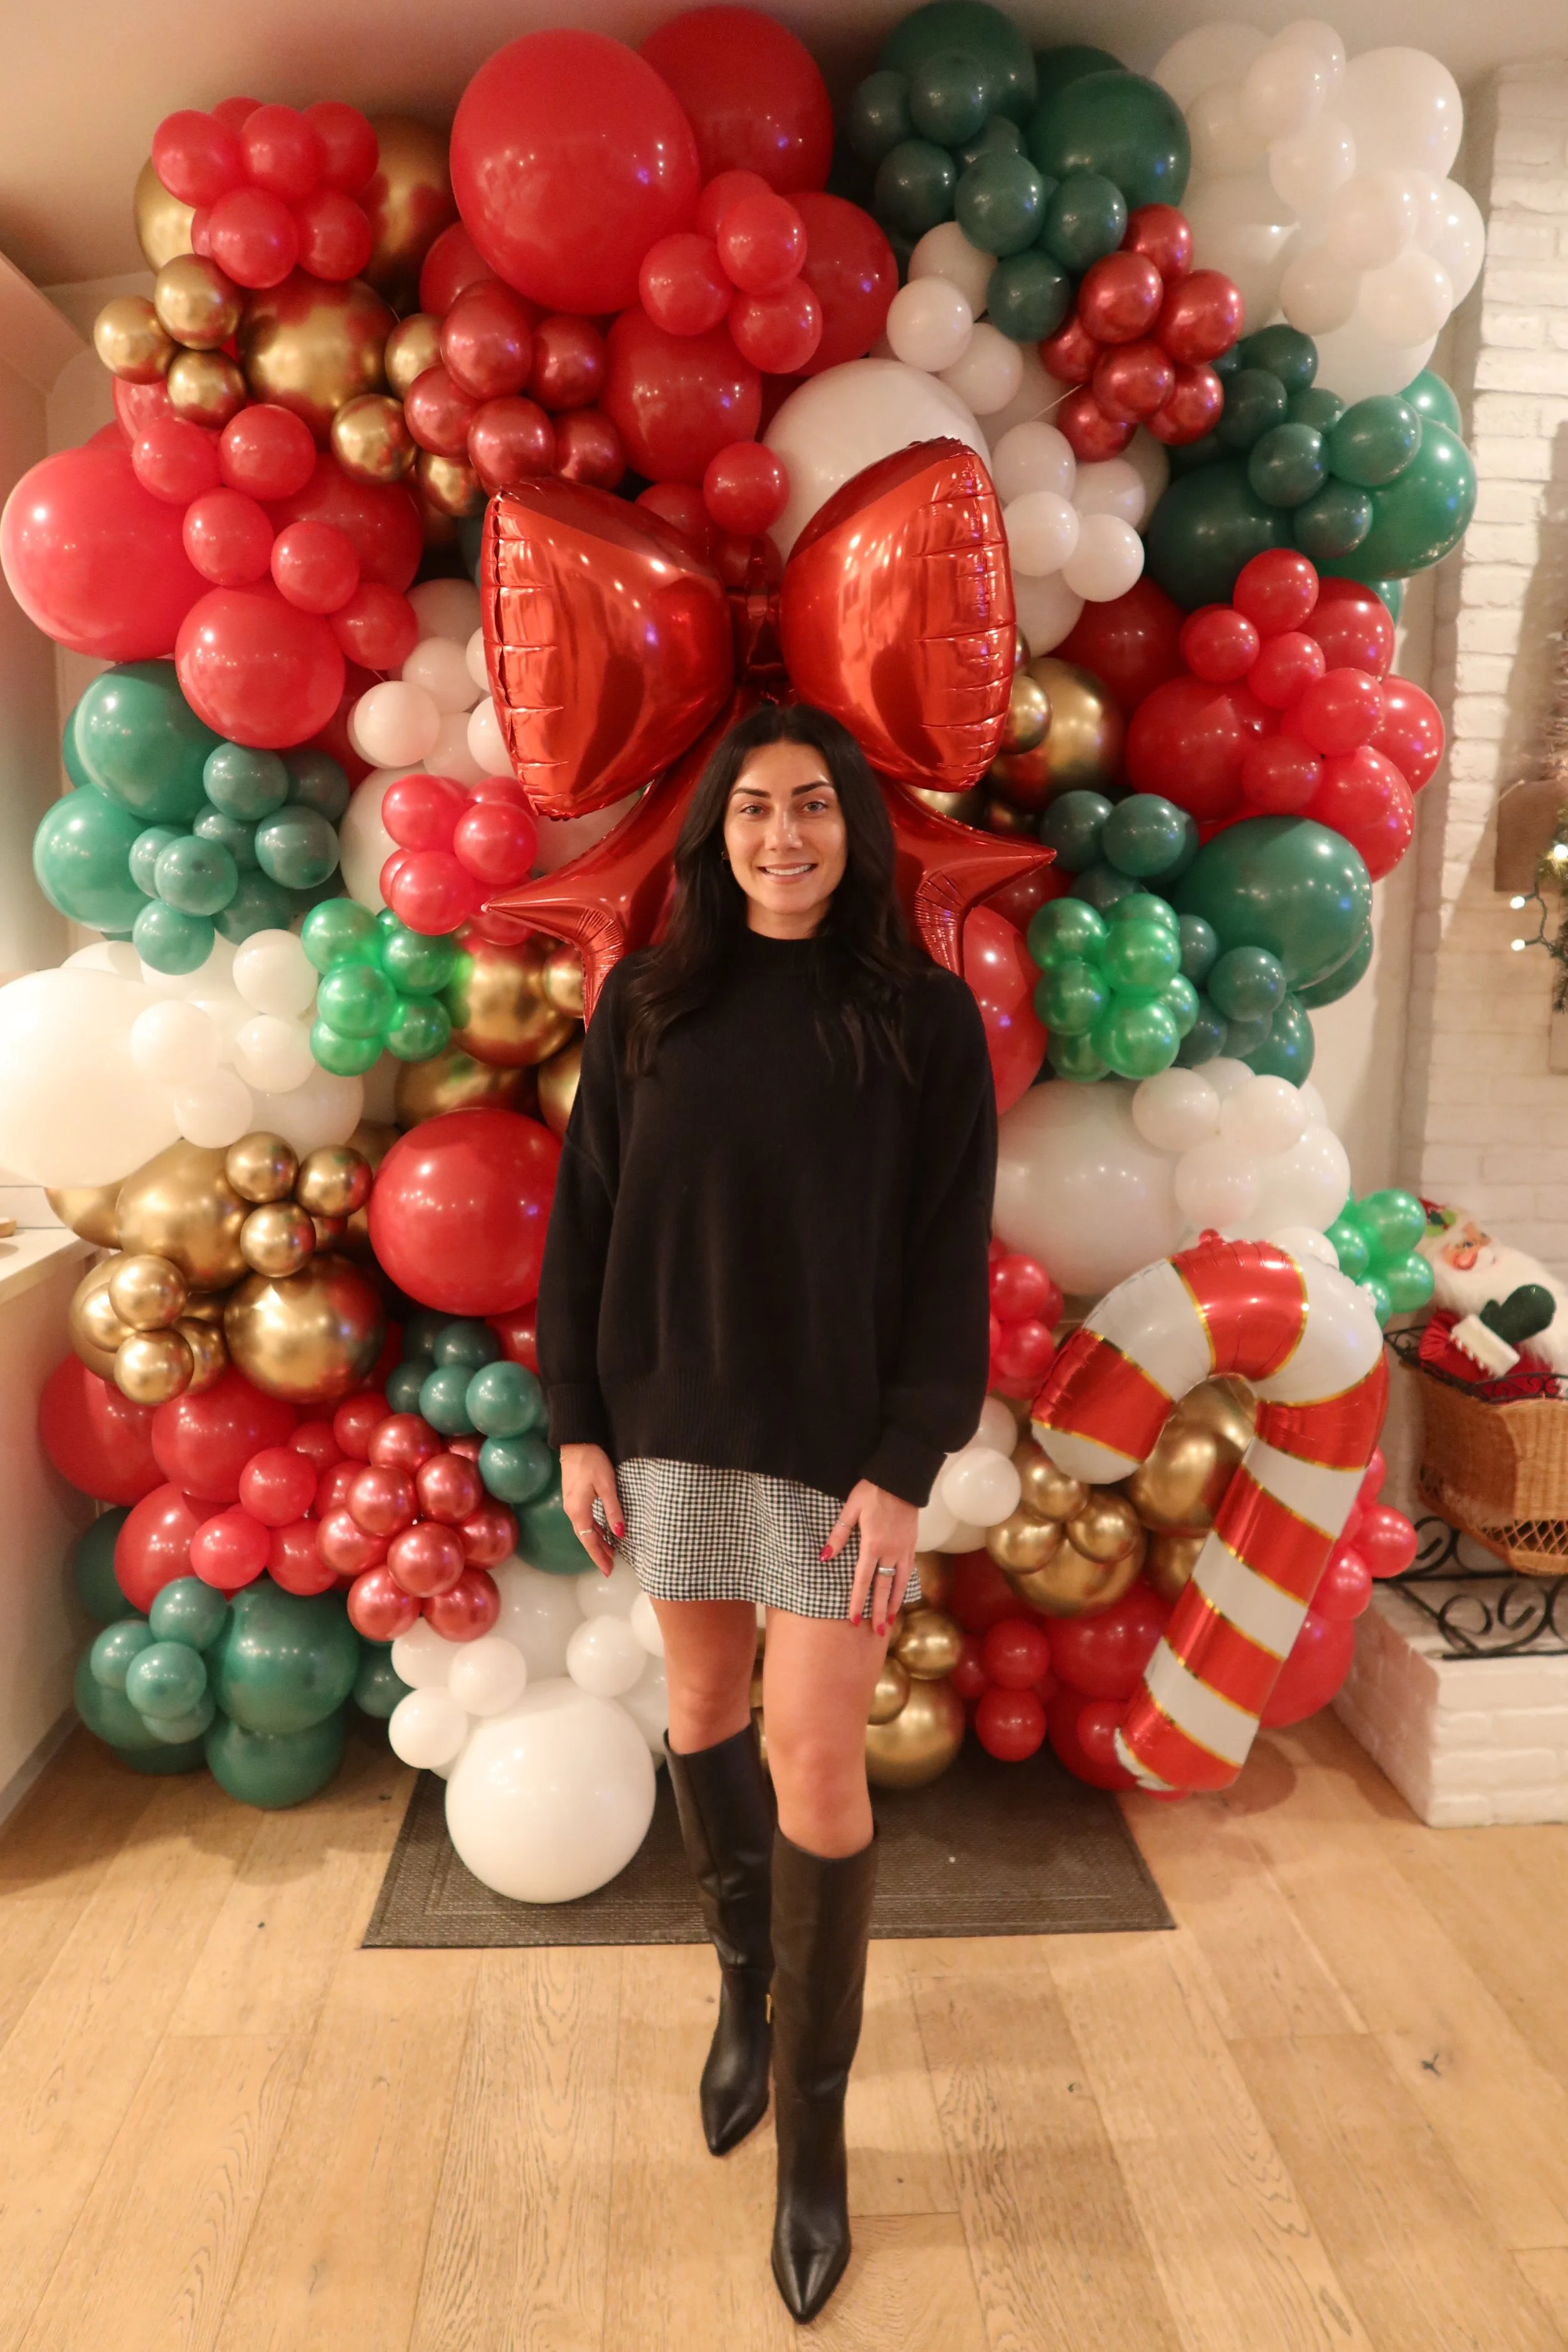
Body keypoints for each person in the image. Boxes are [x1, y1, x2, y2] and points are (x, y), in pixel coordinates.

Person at [534, 699, 996, 2322]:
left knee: (815, 1757)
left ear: (852, 828)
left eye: (809, 806)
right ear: (714, 835)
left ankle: (813, 2135)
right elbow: (586, 1221)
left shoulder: (922, 1019)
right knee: (702, 1707)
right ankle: (747, 1993)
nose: (781, 834)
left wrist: (904, 1462)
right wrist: (578, 1427)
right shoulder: (647, 1003)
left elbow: (946, 1256)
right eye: (752, 809)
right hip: (669, 1426)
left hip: (836, 1452)